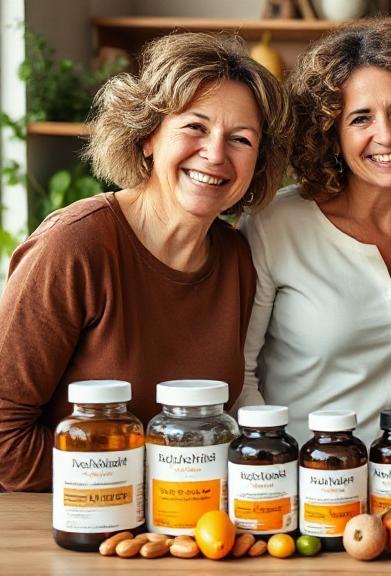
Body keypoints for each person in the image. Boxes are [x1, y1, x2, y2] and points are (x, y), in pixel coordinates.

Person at [0, 33, 289, 491]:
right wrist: (147, 483)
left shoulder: (237, 258)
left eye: (240, 139)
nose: (215, 154)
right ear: (149, 135)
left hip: (183, 522)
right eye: (195, 127)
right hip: (67, 523)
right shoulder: (75, 245)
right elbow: (3, 438)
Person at [238, 20, 391, 446]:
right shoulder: (274, 225)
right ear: (331, 134)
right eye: (361, 118)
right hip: (299, 473)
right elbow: (242, 374)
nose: (387, 134)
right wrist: (273, 467)